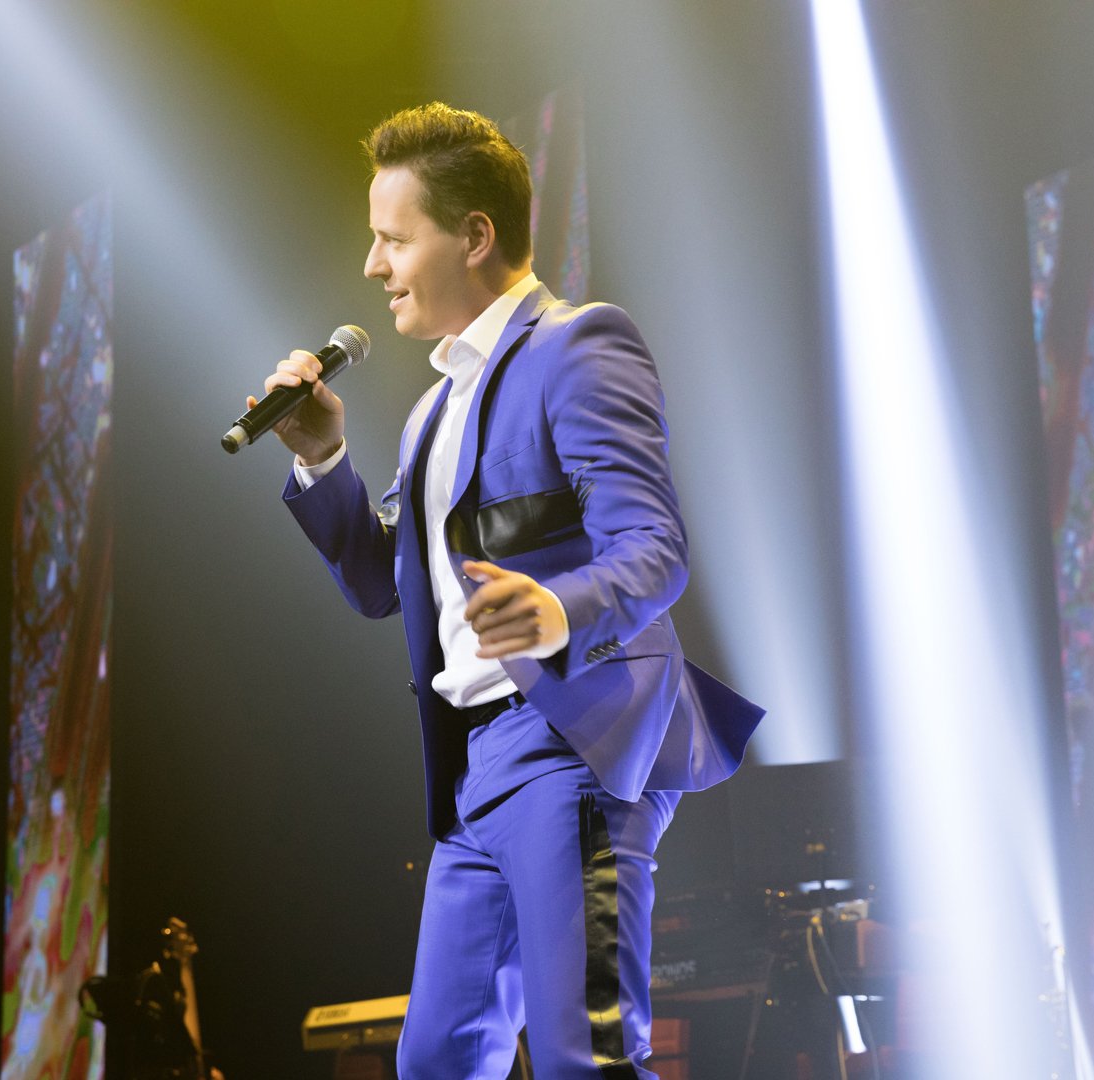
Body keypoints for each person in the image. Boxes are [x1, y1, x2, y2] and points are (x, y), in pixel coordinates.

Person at [248, 102, 763, 1079]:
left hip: (573, 743)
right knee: (438, 1060)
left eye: (393, 238)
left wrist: (561, 606)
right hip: (475, 770)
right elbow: (378, 583)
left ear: (475, 236)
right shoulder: (433, 410)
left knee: (587, 1056)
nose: (372, 264)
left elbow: (654, 545)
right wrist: (323, 462)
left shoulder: (580, 346)